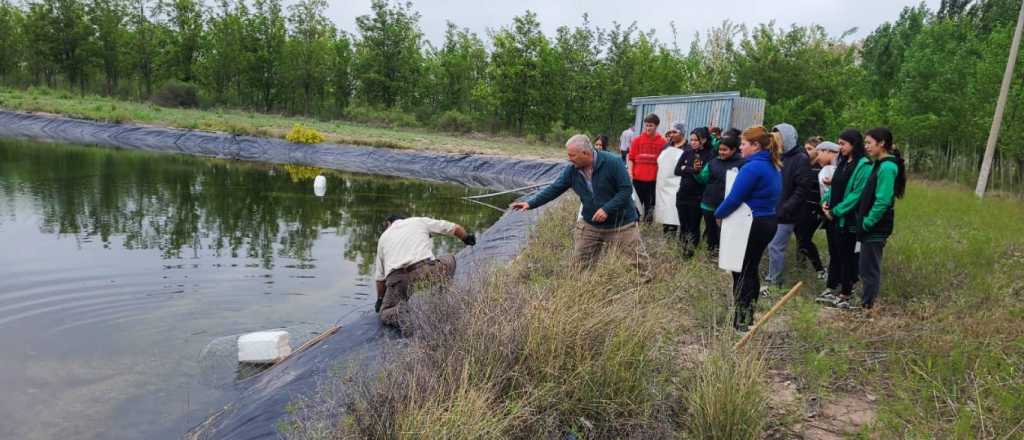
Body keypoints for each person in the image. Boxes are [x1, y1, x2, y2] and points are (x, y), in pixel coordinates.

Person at [511, 135, 650, 275]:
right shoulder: (572, 170)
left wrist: (606, 209)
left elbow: (626, 190)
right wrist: (530, 203)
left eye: (572, 155)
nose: (569, 159)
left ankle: (643, 284)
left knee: (638, 264)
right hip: (591, 223)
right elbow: (555, 188)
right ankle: (584, 286)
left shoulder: (613, 162)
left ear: (585, 153)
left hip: (621, 223)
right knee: (579, 266)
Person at [715, 126, 783, 331]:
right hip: (768, 221)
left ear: (755, 146)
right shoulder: (772, 165)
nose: (740, 148)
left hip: (751, 222)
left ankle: (741, 320)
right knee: (751, 268)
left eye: (744, 144)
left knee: (742, 271)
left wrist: (719, 213)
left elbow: (735, 197)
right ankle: (748, 316)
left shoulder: (752, 168)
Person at [374, 215, 476, 327]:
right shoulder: (418, 221)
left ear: (389, 223)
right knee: (450, 259)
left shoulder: (383, 238)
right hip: (426, 272)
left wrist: (380, 300)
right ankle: (441, 296)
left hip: (399, 281)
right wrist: (466, 238)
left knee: (385, 312)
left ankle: (399, 312)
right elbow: (454, 228)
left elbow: (380, 279)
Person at [850, 127, 905, 310]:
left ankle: (867, 307)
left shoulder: (887, 167)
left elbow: (883, 200)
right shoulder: (879, 164)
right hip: (869, 225)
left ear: (881, 143)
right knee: (864, 267)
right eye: (865, 143)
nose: (866, 146)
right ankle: (865, 302)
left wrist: (867, 222)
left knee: (869, 269)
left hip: (876, 226)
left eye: (869, 142)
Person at [818, 129, 870, 307]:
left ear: (854, 144)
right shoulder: (842, 162)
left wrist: (836, 211)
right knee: (835, 254)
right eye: (839, 144)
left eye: (843, 144)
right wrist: (825, 202)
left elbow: (857, 194)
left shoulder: (863, 165)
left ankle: (846, 292)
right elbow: (834, 186)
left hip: (848, 219)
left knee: (847, 256)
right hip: (832, 217)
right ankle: (831, 287)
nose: (840, 147)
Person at [763, 123, 814, 293]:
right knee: (771, 245)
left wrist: (786, 208)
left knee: (775, 246)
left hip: (787, 213)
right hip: (774, 209)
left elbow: (802, 189)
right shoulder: (780, 156)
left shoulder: (800, 159)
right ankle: (771, 277)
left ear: (787, 139)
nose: (775, 142)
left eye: (778, 139)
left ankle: (774, 282)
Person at [695, 128, 743, 257]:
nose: (721, 152)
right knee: (711, 232)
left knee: (725, 233)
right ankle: (712, 254)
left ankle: (725, 257)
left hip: (728, 205)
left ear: (733, 150)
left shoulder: (742, 163)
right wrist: (696, 172)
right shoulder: (713, 162)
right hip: (709, 204)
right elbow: (703, 179)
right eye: (720, 149)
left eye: (725, 150)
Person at [674, 126, 714, 256]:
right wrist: (691, 170)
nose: (693, 142)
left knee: (693, 225)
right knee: (683, 224)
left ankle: (691, 251)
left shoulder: (709, 154)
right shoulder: (687, 152)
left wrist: (686, 168)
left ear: (704, 140)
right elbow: (677, 170)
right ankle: (682, 248)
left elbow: (704, 175)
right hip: (683, 193)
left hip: (697, 195)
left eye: (696, 140)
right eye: (691, 140)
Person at [793, 137, 827, 278]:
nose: (806, 151)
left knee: (804, 239)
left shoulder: (823, 168)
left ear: (818, 150)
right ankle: (800, 267)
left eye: (809, 149)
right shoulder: (804, 165)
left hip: (814, 210)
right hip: (800, 208)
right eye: (805, 148)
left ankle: (820, 269)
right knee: (800, 238)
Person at [628, 114, 666, 223]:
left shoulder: (662, 142)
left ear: (656, 126)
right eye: (647, 125)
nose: (648, 128)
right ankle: (634, 224)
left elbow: (664, 162)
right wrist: (630, 172)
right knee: (636, 205)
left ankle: (647, 226)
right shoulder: (637, 140)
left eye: (651, 125)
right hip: (637, 179)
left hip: (652, 181)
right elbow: (631, 159)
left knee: (650, 206)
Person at [655, 122, 687, 234]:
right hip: (665, 185)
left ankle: (680, 236)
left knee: (676, 211)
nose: (672, 134)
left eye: (675, 132)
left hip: (679, 184)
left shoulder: (687, 148)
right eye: (670, 132)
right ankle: (668, 235)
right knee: (666, 211)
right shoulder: (666, 146)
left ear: (682, 133)